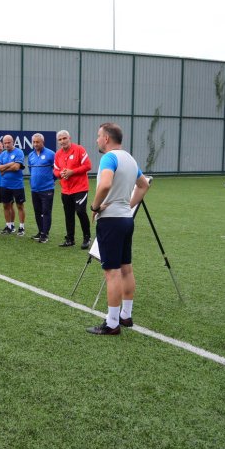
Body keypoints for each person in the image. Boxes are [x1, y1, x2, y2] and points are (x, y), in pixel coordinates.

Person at [86, 122, 149, 336]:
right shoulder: (130, 158)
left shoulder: (109, 158)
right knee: (126, 268)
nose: (96, 140)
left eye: (98, 136)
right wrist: (128, 206)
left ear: (106, 138)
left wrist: (94, 207)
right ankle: (125, 315)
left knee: (111, 272)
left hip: (111, 220)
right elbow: (144, 185)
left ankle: (112, 323)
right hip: (125, 220)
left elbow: (104, 184)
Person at [53, 130, 92, 249]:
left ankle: (87, 237)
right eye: (60, 139)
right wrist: (61, 174)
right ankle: (70, 239)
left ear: (69, 138)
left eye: (64, 138)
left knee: (80, 211)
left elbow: (88, 166)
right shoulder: (58, 154)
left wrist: (72, 172)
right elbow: (55, 170)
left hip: (80, 188)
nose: (62, 141)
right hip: (65, 189)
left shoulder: (79, 149)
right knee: (68, 214)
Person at [27, 133, 56, 244]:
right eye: (33, 142)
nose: (35, 144)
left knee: (46, 211)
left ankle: (45, 234)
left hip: (47, 188)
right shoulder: (31, 155)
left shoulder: (51, 154)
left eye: (37, 142)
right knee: (37, 211)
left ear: (42, 142)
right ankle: (40, 231)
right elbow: (31, 171)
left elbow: (56, 170)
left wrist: (50, 180)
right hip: (35, 189)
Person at [0, 135, 26, 236]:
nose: (7, 144)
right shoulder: (3, 154)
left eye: (9, 142)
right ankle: (9, 226)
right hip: (5, 185)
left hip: (17, 185)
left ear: (13, 142)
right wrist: (10, 164)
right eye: (5, 143)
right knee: (6, 205)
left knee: (19, 206)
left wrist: (4, 169)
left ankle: (21, 227)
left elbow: (16, 167)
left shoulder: (19, 152)